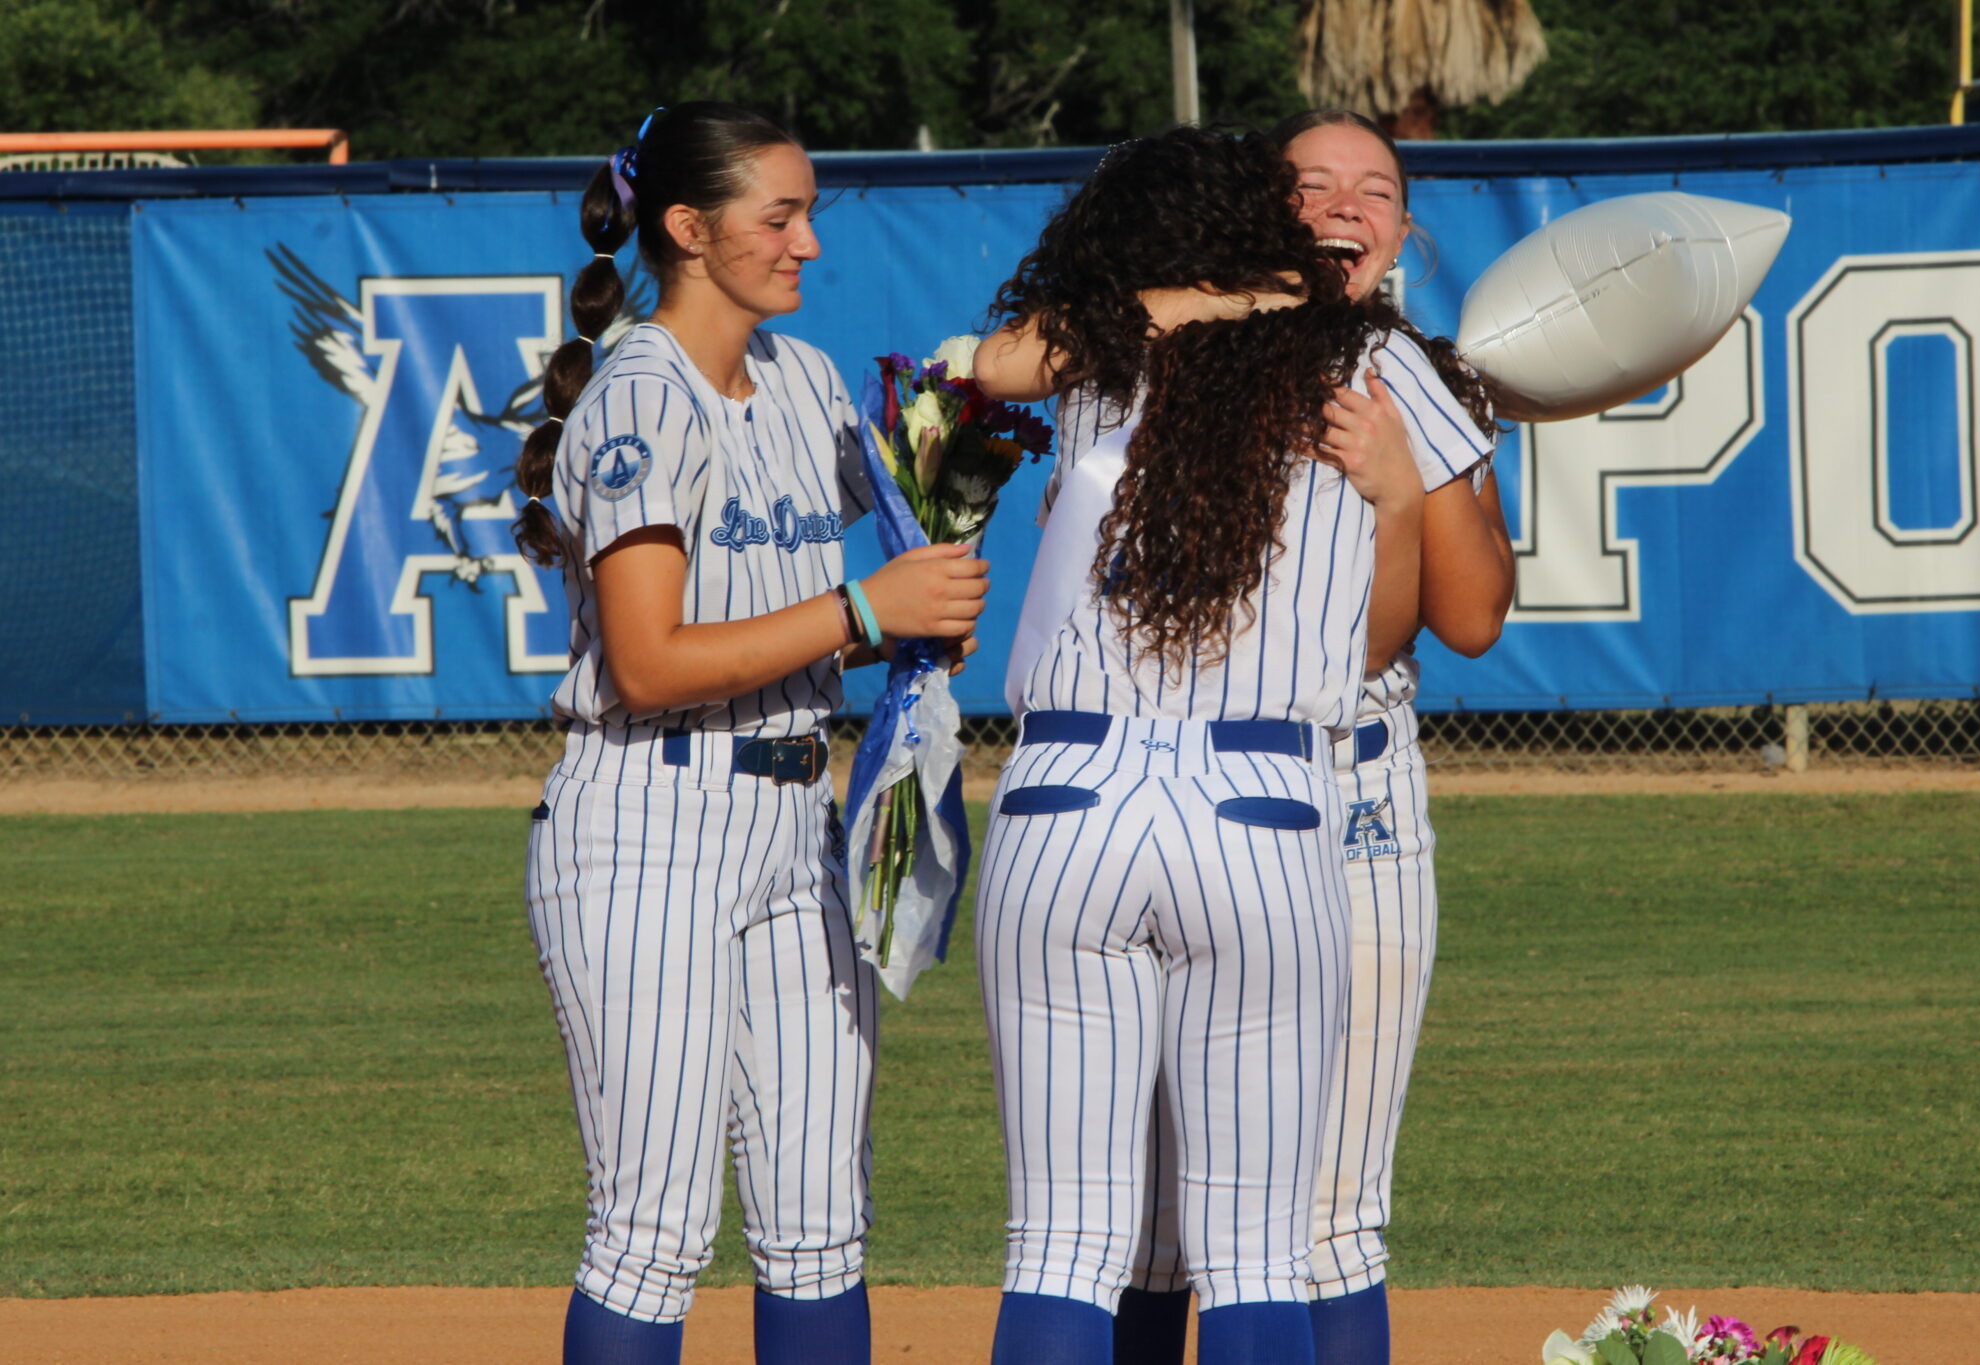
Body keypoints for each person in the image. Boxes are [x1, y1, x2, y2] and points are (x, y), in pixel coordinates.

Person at [511, 101, 989, 1365]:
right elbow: (650, 661)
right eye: (778, 216)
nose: (809, 243)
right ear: (686, 227)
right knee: (654, 1229)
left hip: (796, 821)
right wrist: (860, 610)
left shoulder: (805, 381)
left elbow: (922, 469)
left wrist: (923, 595)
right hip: (646, 825)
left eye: (810, 211)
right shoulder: (637, 400)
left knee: (820, 1225)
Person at [971, 125, 1420, 1365]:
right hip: (1261, 806)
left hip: (1066, 794)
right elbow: (1380, 644)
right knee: (1255, 1254)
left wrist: (1193, 289)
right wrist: (1393, 498)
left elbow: (988, 360)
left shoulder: (1102, 345)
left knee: (1061, 1242)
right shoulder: (1361, 356)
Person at [1108, 110, 1516, 1365]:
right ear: (1261, 210)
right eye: (1313, 184)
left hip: (1354, 802)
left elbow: (1472, 618)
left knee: (1332, 1206)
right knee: (1157, 1215)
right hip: (1191, 787)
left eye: (1375, 189)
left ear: (1404, 229)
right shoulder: (1179, 350)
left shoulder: (1425, 382)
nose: (1346, 205)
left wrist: (1407, 475)